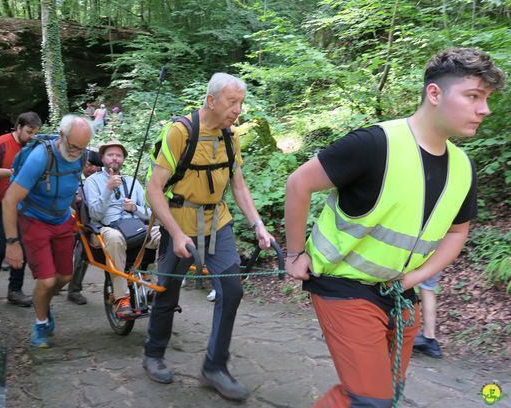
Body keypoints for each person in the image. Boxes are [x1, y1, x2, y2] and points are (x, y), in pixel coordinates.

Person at [284, 47, 505, 407]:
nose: (484, 109)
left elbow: (457, 232)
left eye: (487, 99)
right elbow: (299, 184)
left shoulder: (463, 167)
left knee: (387, 392)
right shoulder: (374, 144)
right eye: (473, 96)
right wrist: (295, 254)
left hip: (399, 295)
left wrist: (412, 279)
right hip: (343, 286)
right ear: (434, 94)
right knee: (369, 399)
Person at [144, 73, 273, 401]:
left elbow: (238, 185)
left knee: (231, 290)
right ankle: (153, 353)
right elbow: (154, 189)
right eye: (232, 102)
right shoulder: (180, 133)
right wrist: (174, 233)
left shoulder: (230, 137)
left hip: (218, 221)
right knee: (167, 291)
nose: (237, 110)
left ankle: (215, 367)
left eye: (240, 102)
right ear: (211, 100)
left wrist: (258, 224)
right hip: (180, 221)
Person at [3, 115, 93, 348]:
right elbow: (10, 200)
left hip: (63, 219)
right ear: (62, 136)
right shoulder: (40, 157)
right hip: (34, 220)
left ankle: (41, 302)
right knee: (46, 280)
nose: (76, 153)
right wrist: (12, 242)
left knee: (64, 277)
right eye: (73, 146)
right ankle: (41, 323)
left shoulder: (81, 154)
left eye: (82, 148)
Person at [84, 140, 161, 316]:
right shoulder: (93, 182)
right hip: (106, 229)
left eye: (119, 155)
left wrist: (135, 208)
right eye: (110, 155)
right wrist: (108, 189)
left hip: (134, 227)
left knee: (164, 234)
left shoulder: (132, 181)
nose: (115, 159)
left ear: (123, 159)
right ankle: (121, 298)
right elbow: (94, 214)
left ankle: (155, 285)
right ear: (102, 158)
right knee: (114, 237)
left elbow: (151, 213)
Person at [0, 111, 42, 307]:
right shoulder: (0, 143)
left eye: (35, 133)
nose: (32, 137)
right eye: (29, 132)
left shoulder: (35, 148)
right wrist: (13, 172)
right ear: (18, 127)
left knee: (21, 248)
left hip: (23, 207)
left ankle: (15, 291)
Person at [67, 148, 104, 305]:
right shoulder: (72, 175)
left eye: (97, 166)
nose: (93, 169)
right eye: (89, 165)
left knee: (83, 256)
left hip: (87, 224)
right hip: (67, 222)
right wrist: (75, 200)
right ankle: (54, 284)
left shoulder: (102, 179)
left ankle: (74, 290)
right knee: (60, 254)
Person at [413, 272, 443, 358]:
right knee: (427, 287)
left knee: (400, 283)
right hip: (435, 259)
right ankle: (429, 339)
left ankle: (399, 335)